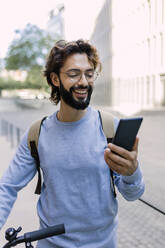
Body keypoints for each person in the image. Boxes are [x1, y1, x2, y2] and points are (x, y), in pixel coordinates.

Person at [0, 39, 145, 248]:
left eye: (88, 73)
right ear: (55, 79)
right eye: (73, 74)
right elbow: (7, 187)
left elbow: (133, 194)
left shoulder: (110, 128)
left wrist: (132, 172)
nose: (84, 82)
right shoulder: (36, 134)